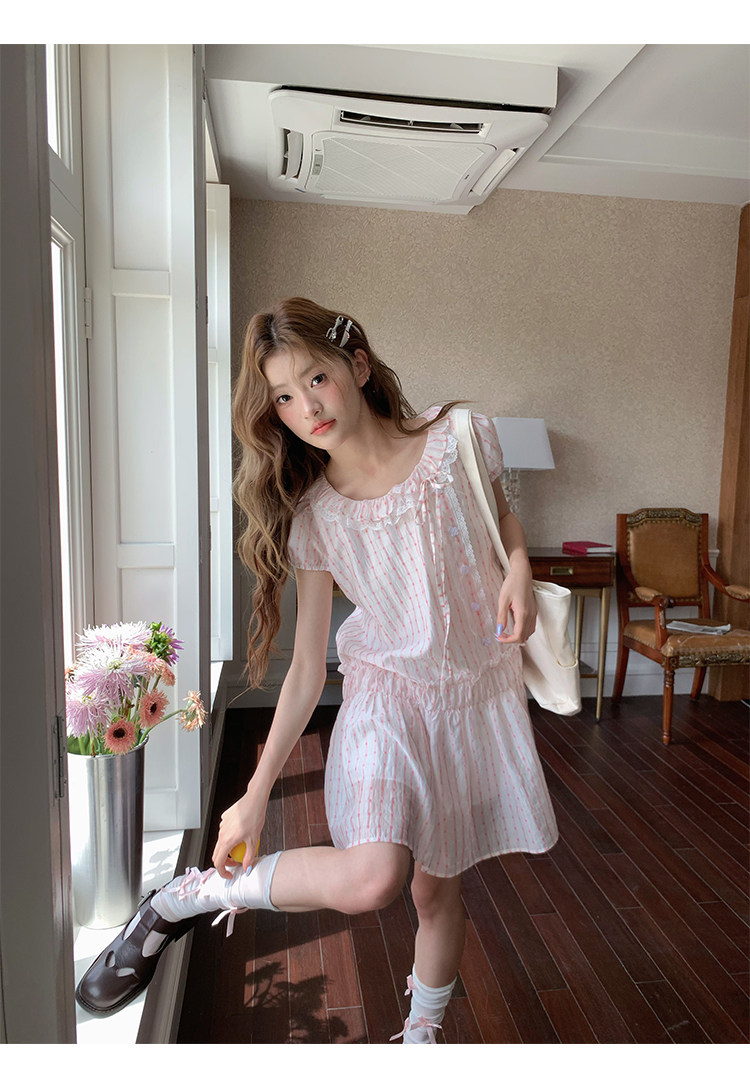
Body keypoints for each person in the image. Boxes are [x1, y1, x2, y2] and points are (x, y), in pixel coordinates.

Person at [76, 297, 558, 1041]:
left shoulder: (460, 437)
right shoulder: (317, 514)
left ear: (357, 366)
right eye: (283, 397)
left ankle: (421, 1034)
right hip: (385, 700)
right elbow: (306, 668)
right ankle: (185, 899)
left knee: (436, 895)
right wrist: (254, 795)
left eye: (317, 379)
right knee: (375, 876)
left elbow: (502, 519)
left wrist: (519, 567)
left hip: (471, 699)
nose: (307, 408)